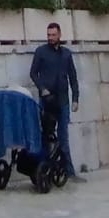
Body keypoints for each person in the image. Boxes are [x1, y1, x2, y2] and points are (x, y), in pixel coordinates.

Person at [29, 21, 81, 183]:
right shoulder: (41, 52)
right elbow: (33, 73)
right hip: (46, 100)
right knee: (45, 135)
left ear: (59, 35)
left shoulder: (66, 54)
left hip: (63, 101)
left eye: (53, 35)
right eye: (48, 35)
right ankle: (43, 171)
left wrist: (75, 99)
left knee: (63, 137)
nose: (50, 38)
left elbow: (73, 78)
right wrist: (42, 88)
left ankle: (69, 172)